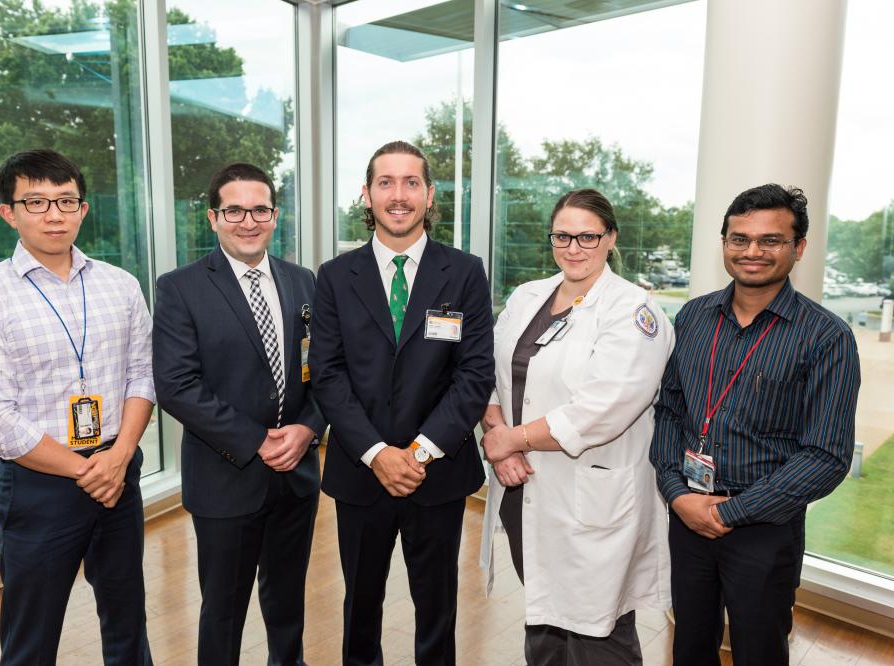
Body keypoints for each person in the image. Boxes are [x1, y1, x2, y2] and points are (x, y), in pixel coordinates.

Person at [0, 149, 155, 665]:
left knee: (127, 620)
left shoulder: (120, 285)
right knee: (31, 637)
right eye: (36, 202)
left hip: (117, 470)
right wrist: (88, 470)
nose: (54, 214)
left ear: (84, 209)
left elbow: (142, 376)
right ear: (8, 212)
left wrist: (119, 456)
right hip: (39, 483)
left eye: (66, 201)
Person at [649, 184, 861, 666]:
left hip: (765, 527)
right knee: (688, 647)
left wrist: (729, 513)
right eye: (739, 238)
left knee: (759, 652)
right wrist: (676, 492)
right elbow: (671, 411)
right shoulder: (695, 316)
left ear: (798, 247)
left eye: (771, 240)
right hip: (688, 513)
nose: (752, 252)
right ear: (724, 243)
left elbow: (826, 456)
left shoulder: (827, 337)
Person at [309, 140, 495, 665]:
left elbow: (474, 373)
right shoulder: (334, 277)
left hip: (436, 473)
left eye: (411, 182)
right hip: (360, 470)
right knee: (359, 607)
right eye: (385, 183)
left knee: (436, 608)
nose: (398, 195)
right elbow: (327, 373)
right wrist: (377, 452)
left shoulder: (463, 272)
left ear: (429, 195)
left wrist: (418, 453)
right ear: (366, 195)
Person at [479, 188, 674, 665]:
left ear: (611, 238)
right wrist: (500, 442)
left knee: (598, 628)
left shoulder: (633, 311)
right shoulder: (528, 296)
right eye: (562, 236)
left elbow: (602, 409)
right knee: (543, 616)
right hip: (523, 486)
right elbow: (489, 374)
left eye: (587, 236)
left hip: (592, 496)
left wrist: (511, 439)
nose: (573, 247)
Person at [152, 163, 324, 666]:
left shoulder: (302, 281)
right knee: (223, 610)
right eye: (234, 210)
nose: (247, 221)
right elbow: (177, 386)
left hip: (296, 474)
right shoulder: (180, 288)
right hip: (226, 477)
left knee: (288, 600)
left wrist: (310, 427)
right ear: (213, 217)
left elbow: (326, 371)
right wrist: (257, 440)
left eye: (259, 210)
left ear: (275, 215)